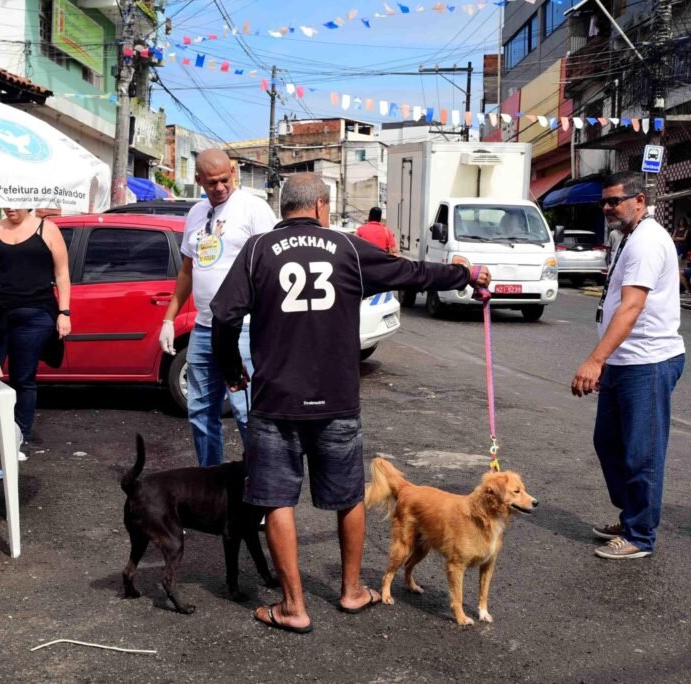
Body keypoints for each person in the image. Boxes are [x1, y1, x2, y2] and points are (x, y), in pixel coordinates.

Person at [210, 173, 491, 633]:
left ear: (284, 207)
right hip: (336, 400)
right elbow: (412, 272)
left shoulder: (258, 249)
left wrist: (229, 367)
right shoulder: (346, 248)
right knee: (348, 497)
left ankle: (293, 607)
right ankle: (352, 590)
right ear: (322, 206)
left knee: (278, 501)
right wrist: (466, 274)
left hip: (275, 400)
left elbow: (223, 314)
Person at [571, 171, 685, 560]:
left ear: (639, 201)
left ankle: (640, 535)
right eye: (603, 202)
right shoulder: (629, 237)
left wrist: (595, 359)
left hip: (647, 362)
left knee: (642, 452)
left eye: (614, 201)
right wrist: (608, 359)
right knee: (608, 443)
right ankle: (633, 514)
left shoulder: (647, 242)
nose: (607, 208)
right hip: (625, 359)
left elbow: (632, 306)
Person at [159, 149, 276, 467]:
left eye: (225, 179)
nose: (220, 187)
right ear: (198, 180)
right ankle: (210, 480)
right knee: (200, 411)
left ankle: (259, 484)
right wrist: (169, 319)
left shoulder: (253, 208)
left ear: (233, 172)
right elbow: (187, 270)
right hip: (204, 328)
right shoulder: (196, 213)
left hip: (243, 328)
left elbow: (271, 266)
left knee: (246, 411)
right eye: (212, 183)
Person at [0, 208, 71, 458]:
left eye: (16, 203)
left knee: (23, 379)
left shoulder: (48, 229)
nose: (11, 208)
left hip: (35, 314)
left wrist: (64, 312)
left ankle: (19, 439)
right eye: (6, 203)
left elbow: (62, 273)